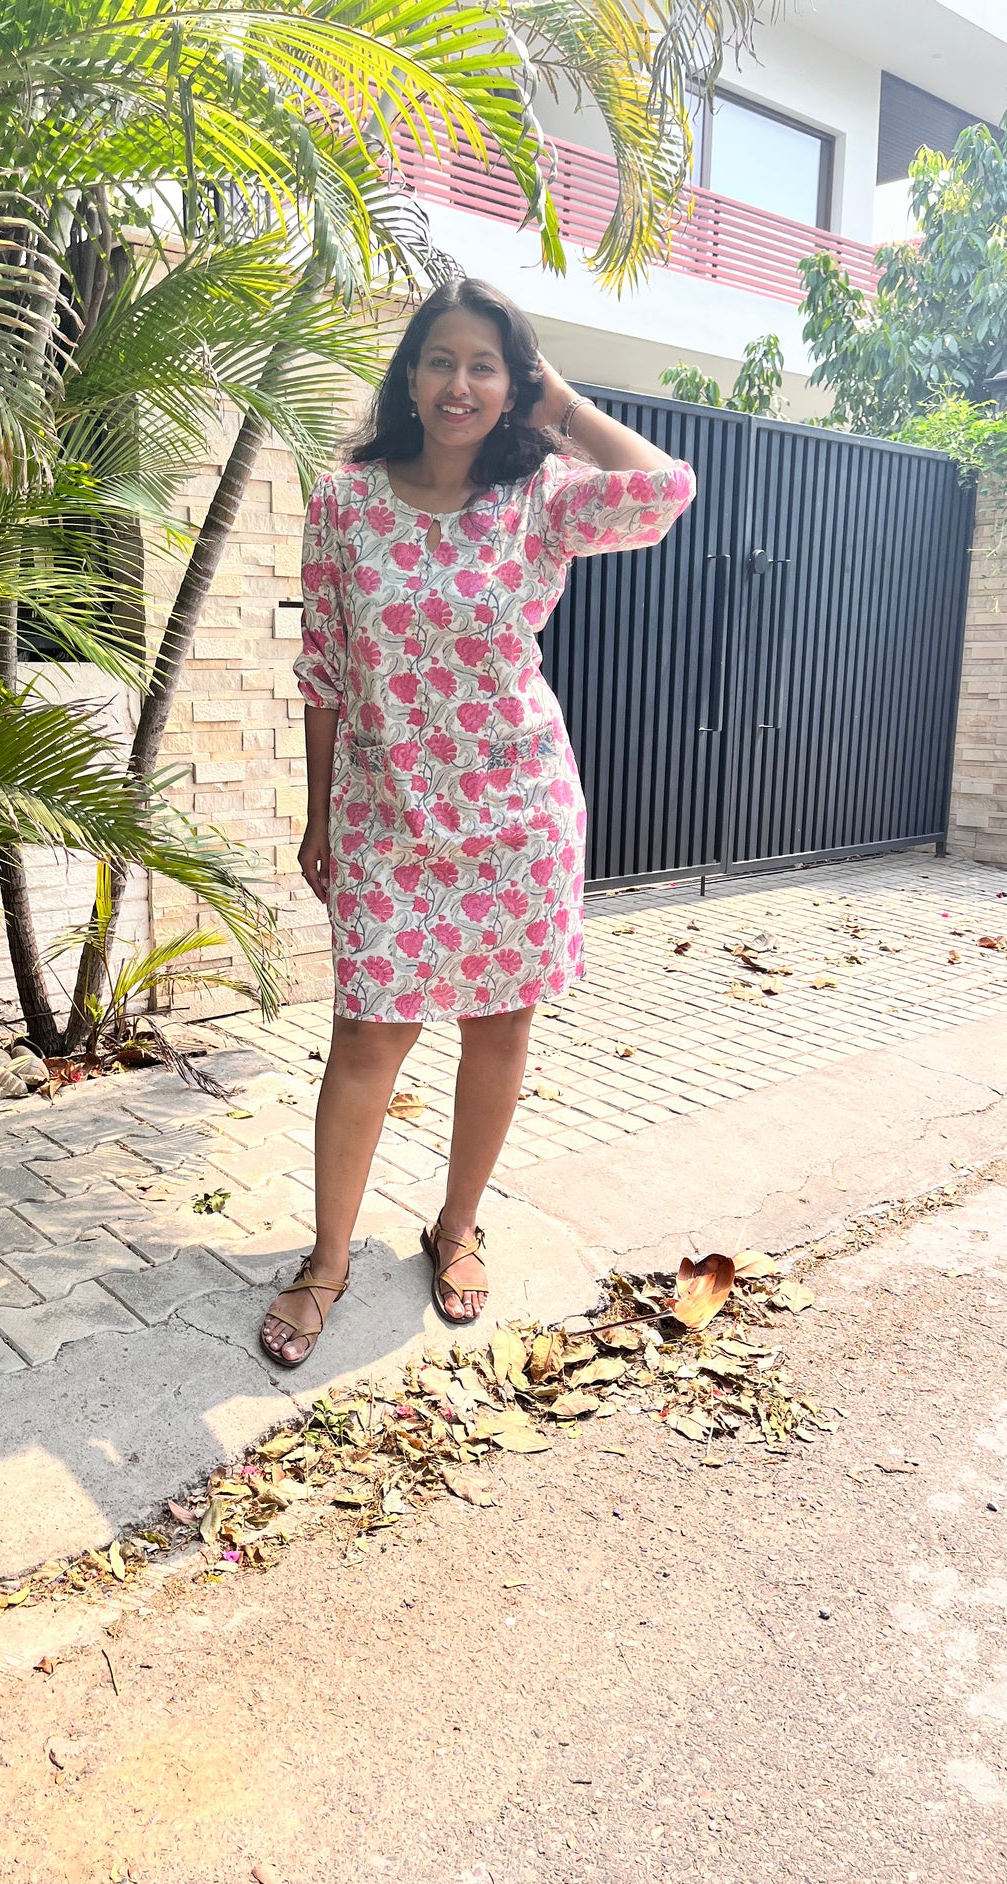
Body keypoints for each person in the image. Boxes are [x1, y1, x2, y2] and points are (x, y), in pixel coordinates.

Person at [259, 278, 694, 1368]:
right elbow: (321, 669)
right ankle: (326, 1259)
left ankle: (454, 1227)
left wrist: (563, 404)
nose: (460, 384)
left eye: (486, 365)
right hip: (383, 812)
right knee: (366, 1037)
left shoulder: (541, 494)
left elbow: (666, 491)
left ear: (513, 385)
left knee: (498, 1027)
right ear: (409, 374)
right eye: (441, 360)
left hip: (516, 813)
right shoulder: (344, 501)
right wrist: (318, 815)